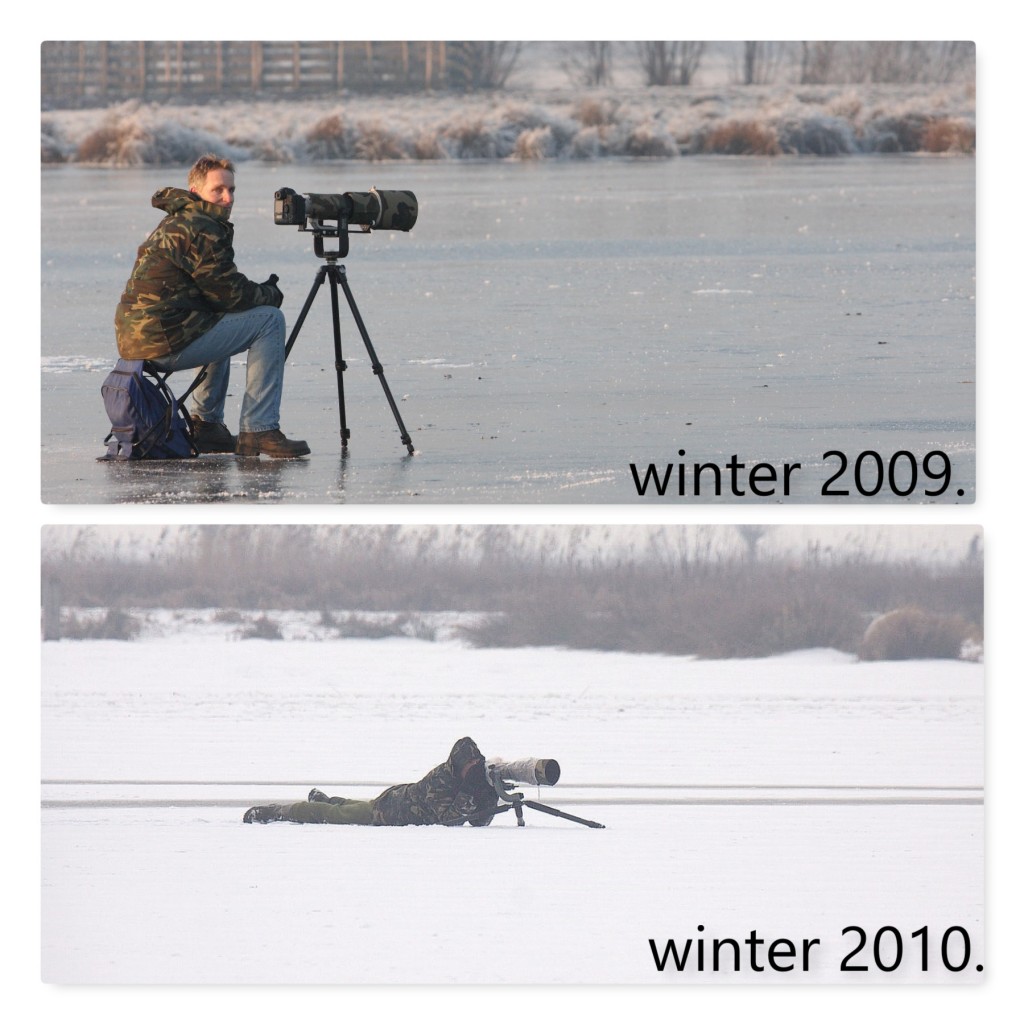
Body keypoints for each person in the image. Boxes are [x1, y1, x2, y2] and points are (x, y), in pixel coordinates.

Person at [114, 154, 310, 458]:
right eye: (218, 190)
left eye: (231, 190)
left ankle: (206, 427)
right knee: (269, 320)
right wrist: (270, 294)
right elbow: (229, 293)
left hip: (140, 340)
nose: (227, 198)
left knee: (221, 317)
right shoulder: (201, 226)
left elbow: (219, 293)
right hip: (162, 342)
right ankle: (259, 430)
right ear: (196, 191)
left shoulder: (181, 219)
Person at [243, 737, 499, 826]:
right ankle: (277, 812)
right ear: (458, 764)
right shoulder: (441, 780)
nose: (474, 769)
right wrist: (469, 790)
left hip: (396, 799)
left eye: (477, 764)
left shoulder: (466, 779)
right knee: (336, 815)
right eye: (470, 765)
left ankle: (327, 799)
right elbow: (450, 821)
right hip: (389, 810)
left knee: (355, 806)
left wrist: (489, 793)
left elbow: (478, 821)